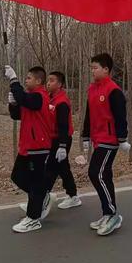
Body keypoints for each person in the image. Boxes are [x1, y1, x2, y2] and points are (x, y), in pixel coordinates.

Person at [82, 53, 130, 236]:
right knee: (104, 175)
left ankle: (112, 214)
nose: (92, 71)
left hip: (110, 140)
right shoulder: (92, 89)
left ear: (106, 69)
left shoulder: (113, 90)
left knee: (96, 173)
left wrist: (122, 138)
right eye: (91, 67)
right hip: (97, 138)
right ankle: (107, 212)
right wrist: (86, 137)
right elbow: (89, 115)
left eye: (95, 67)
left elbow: (120, 116)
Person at [5, 65, 54, 233]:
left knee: (35, 183)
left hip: (38, 146)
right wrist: (12, 103)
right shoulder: (30, 98)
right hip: (27, 146)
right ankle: (41, 196)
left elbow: (25, 100)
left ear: (38, 81)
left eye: (28, 78)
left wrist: (13, 79)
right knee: (17, 176)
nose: (26, 80)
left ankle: (33, 218)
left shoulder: (40, 97)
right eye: (24, 78)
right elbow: (17, 115)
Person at [45, 71, 81, 209]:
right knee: (63, 168)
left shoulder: (62, 102)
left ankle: (41, 199)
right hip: (52, 139)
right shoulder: (50, 98)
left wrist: (62, 145)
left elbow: (63, 126)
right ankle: (73, 195)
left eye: (52, 80)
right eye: (48, 80)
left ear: (60, 84)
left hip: (61, 140)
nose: (48, 83)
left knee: (50, 169)